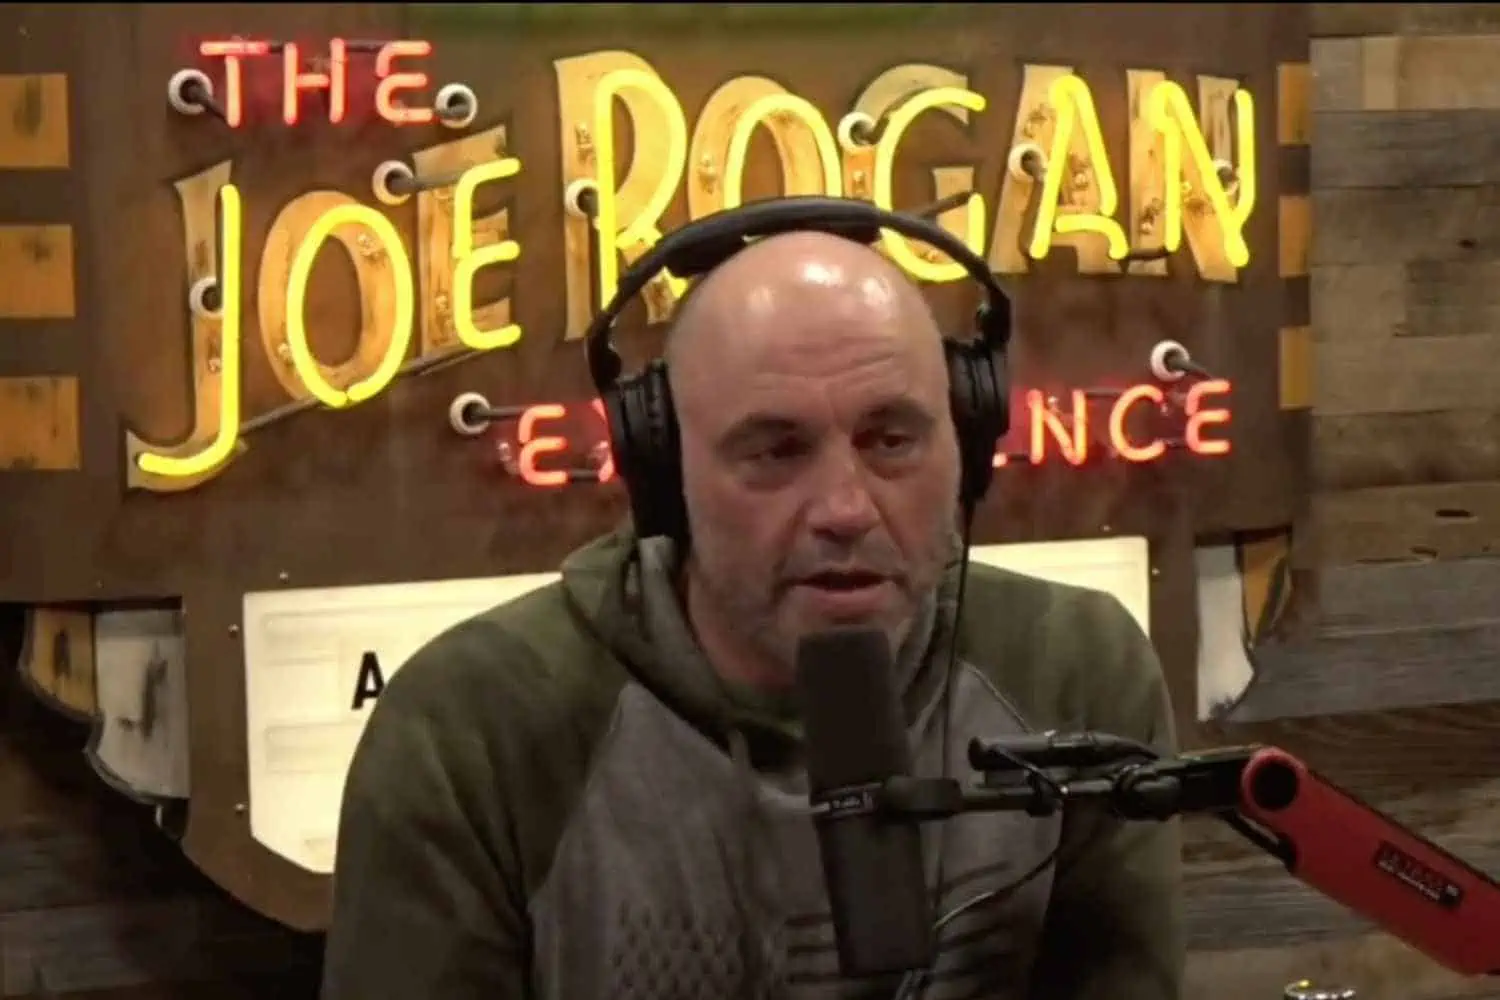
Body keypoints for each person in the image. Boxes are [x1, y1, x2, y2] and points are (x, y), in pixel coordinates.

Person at [321, 229, 1183, 1000]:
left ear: (967, 445)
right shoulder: (472, 729)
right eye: (775, 451)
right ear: (666, 475)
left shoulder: (1076, 668)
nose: (845, 508)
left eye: (892, 440)